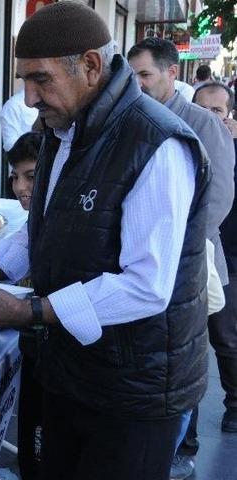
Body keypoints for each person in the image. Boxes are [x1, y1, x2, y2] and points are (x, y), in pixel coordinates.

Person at [0, 4, 210, 479]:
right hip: (67, 371)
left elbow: (146, 286)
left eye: (40, 80)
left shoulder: (156, 143)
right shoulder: (60, 131)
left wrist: (29, 311)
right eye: (23, 80)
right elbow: (43, 228)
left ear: (90, 66)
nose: (28, 98)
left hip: (132, 391)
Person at [128, 38, 236, 480]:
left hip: (194, 261)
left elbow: (221, 196)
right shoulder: (134, 119)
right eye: (131, 75)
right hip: (146, 263)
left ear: (173, 74)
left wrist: (177, 241)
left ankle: (186, 444)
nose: (136, 84)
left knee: (199, 348)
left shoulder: (200, 123)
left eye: (145, 75)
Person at [194, 81, 237, 432]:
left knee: (225, 337)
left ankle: (236, 404)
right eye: (202, 109)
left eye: (217, 111)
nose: (209, 117)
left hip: (228, 262)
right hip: (194, 260)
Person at [5, 131, 43, 480]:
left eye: (30, 176)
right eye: (15, 176)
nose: (19, 187)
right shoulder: (35, 220)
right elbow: (12, 255)